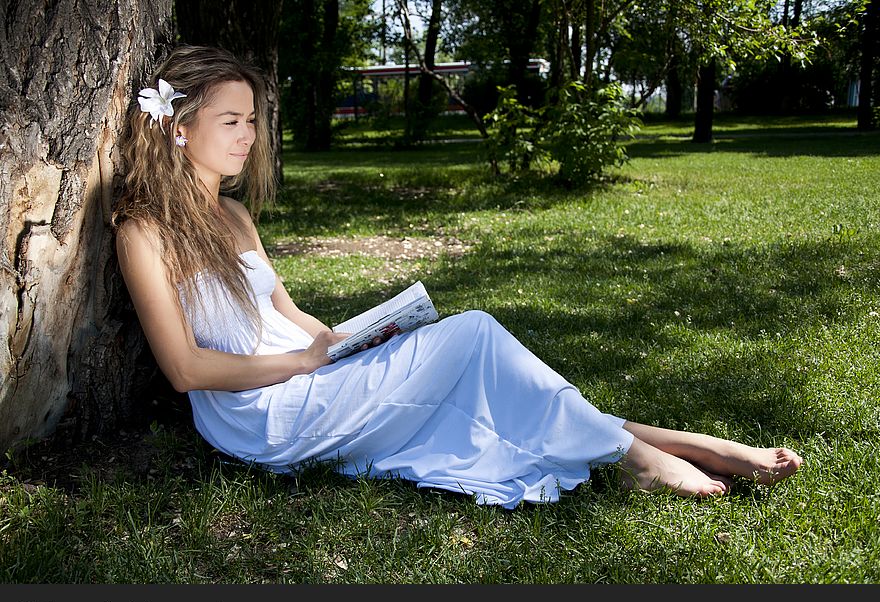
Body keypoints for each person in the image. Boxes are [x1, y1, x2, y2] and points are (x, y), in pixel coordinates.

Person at [112, 46, 802, 509]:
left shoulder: (233, 215)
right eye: (231, 121)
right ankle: (646, 457)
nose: (249, 136)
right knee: (473, 338)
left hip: (308, 375)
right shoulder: (142, 231)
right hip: (259, 418)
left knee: (478, 374)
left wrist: (353, 340)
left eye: (253, 121)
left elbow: (292, 314)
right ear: (177, 128)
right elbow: (186, 370)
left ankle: (664, 445)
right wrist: (308, 359)